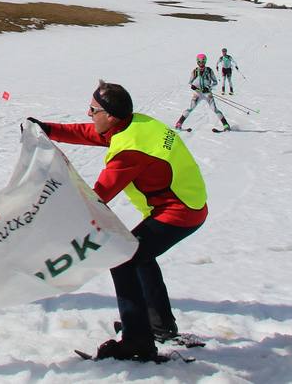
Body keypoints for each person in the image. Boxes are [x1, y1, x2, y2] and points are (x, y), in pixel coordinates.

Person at [28, 81, 208, 362]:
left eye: (93, 109)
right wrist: (48, 129)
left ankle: (138, 341)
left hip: (180, 212)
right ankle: (157, 325)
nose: (88, 114)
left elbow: (97, 199)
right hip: (186, 204)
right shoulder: (135, 124)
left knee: (124, 258)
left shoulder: (129, 151)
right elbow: (89, 132)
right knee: (140, 256)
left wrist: (44, 216)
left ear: (110, 115)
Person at [174, 53, 231, 132]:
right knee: (190, 108)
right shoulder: (195, 71)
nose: (201, 64)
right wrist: (193, 86)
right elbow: (190, 82)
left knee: (214, 109)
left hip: (207, 94)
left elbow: (215, 82)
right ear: (197, 62)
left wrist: (208, 88)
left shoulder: (209, 71)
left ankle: (226, 125)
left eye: (203, 62)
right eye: (200, 62)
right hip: (197, 94)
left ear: (205, 62)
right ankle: (178, 124)